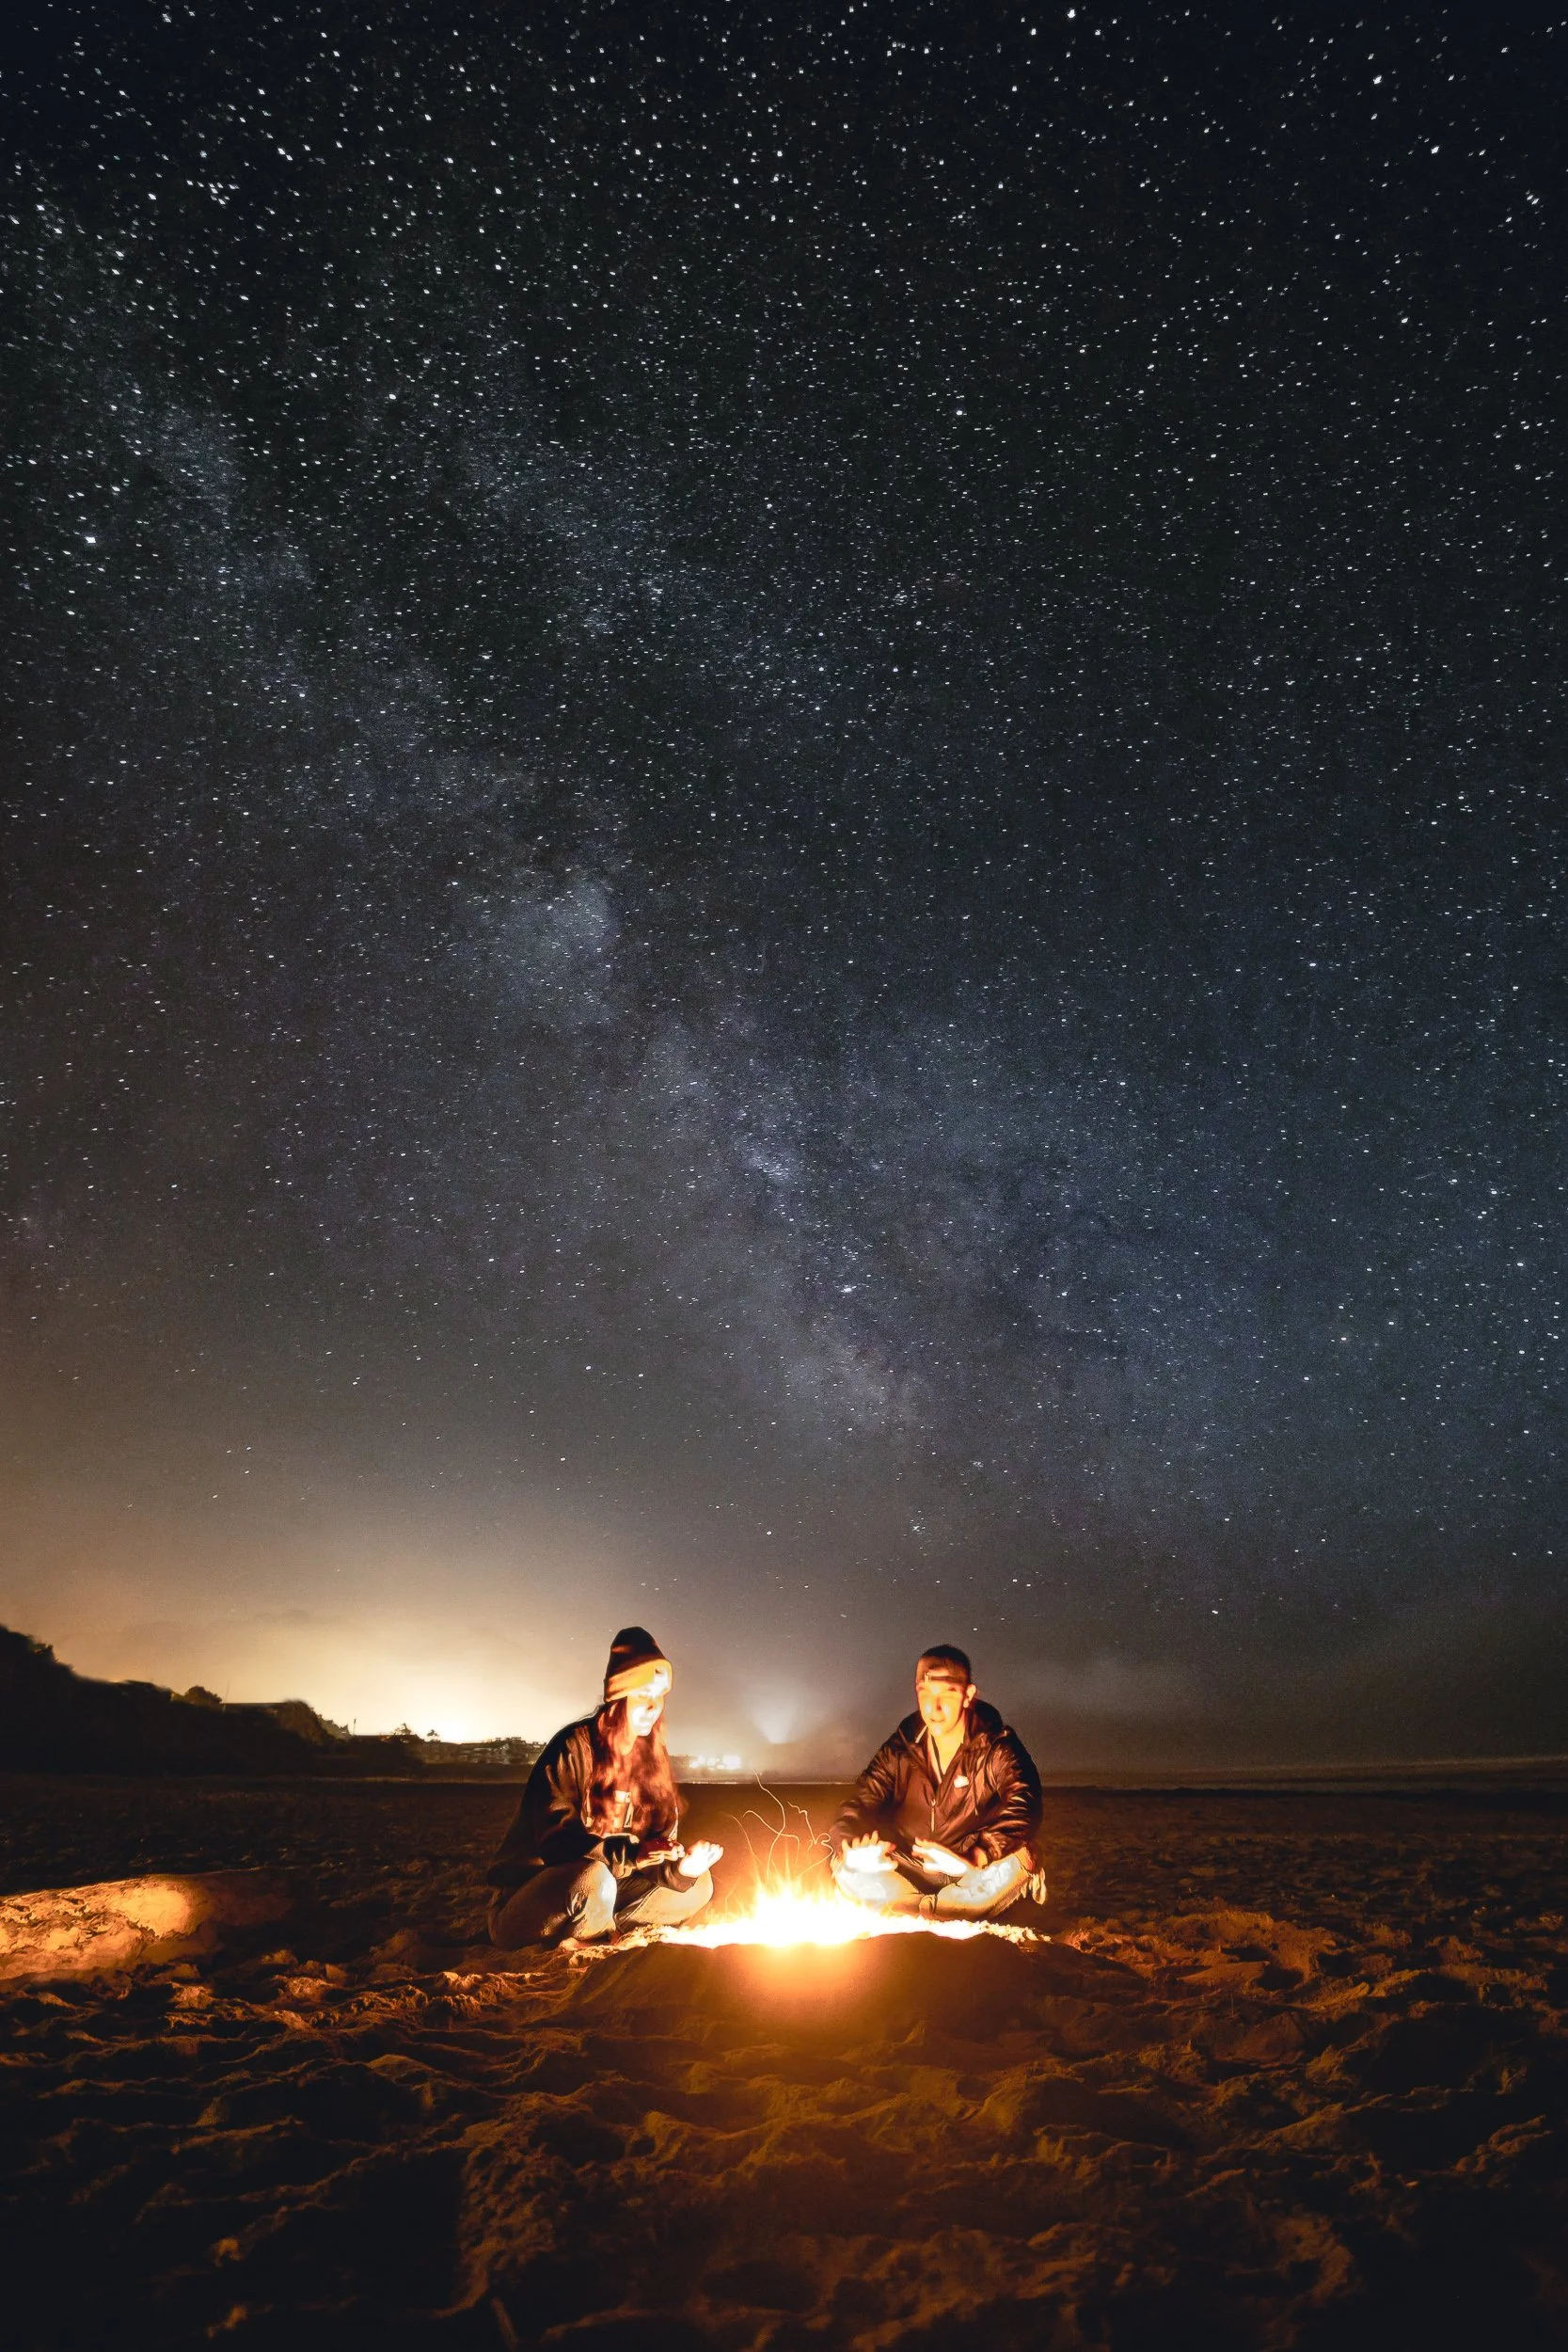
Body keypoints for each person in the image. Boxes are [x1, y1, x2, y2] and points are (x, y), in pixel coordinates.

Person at [486, 1626, 723, 1949]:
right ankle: (594, 1930)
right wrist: (633, 1854)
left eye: (659, 1699)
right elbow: (556, 1844)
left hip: (610, 1895)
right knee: (592, 1878)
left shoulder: (651, 1760)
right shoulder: (574, 1748)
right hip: (537, 1896)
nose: (653, 1709)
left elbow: (656, 1852)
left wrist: (682, 1867)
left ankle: (603, 1929)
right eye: (642, 1697)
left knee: (699, 1885)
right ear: (617, 1698)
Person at [827, 1644, 1044, 1918]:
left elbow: (1025, 1803)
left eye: (948, 1694)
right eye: (925, 1693)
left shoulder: (996, 1745)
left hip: (971, 1874)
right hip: (908, 1870)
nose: (935, 1707)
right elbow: (860, 1800)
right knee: (843, 1860)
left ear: (968, 1695)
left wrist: (976, 1857)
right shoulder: (902, 1747)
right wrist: (850, 1846)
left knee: (1024, 1858)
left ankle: (918, 1912)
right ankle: (941, 1913)